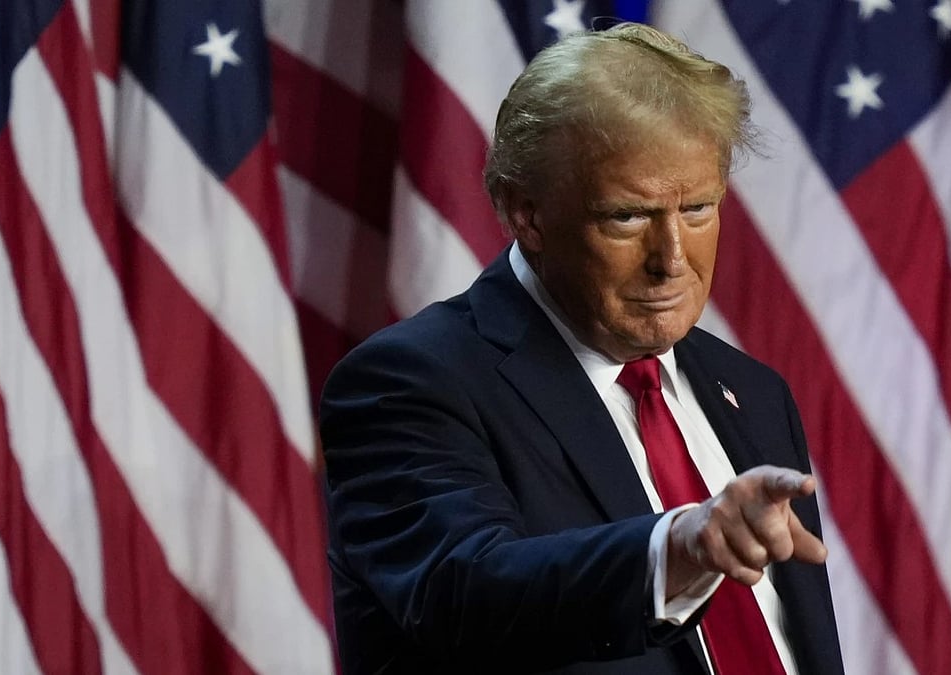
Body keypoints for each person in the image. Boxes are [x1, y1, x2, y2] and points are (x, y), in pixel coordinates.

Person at [319, 22, 844, 675]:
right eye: (627, 216)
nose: (671, 259)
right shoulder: (408, 381)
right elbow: (467, 593)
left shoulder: (754, 392)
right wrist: (677, 549)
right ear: (527, 214)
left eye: (698, 209)